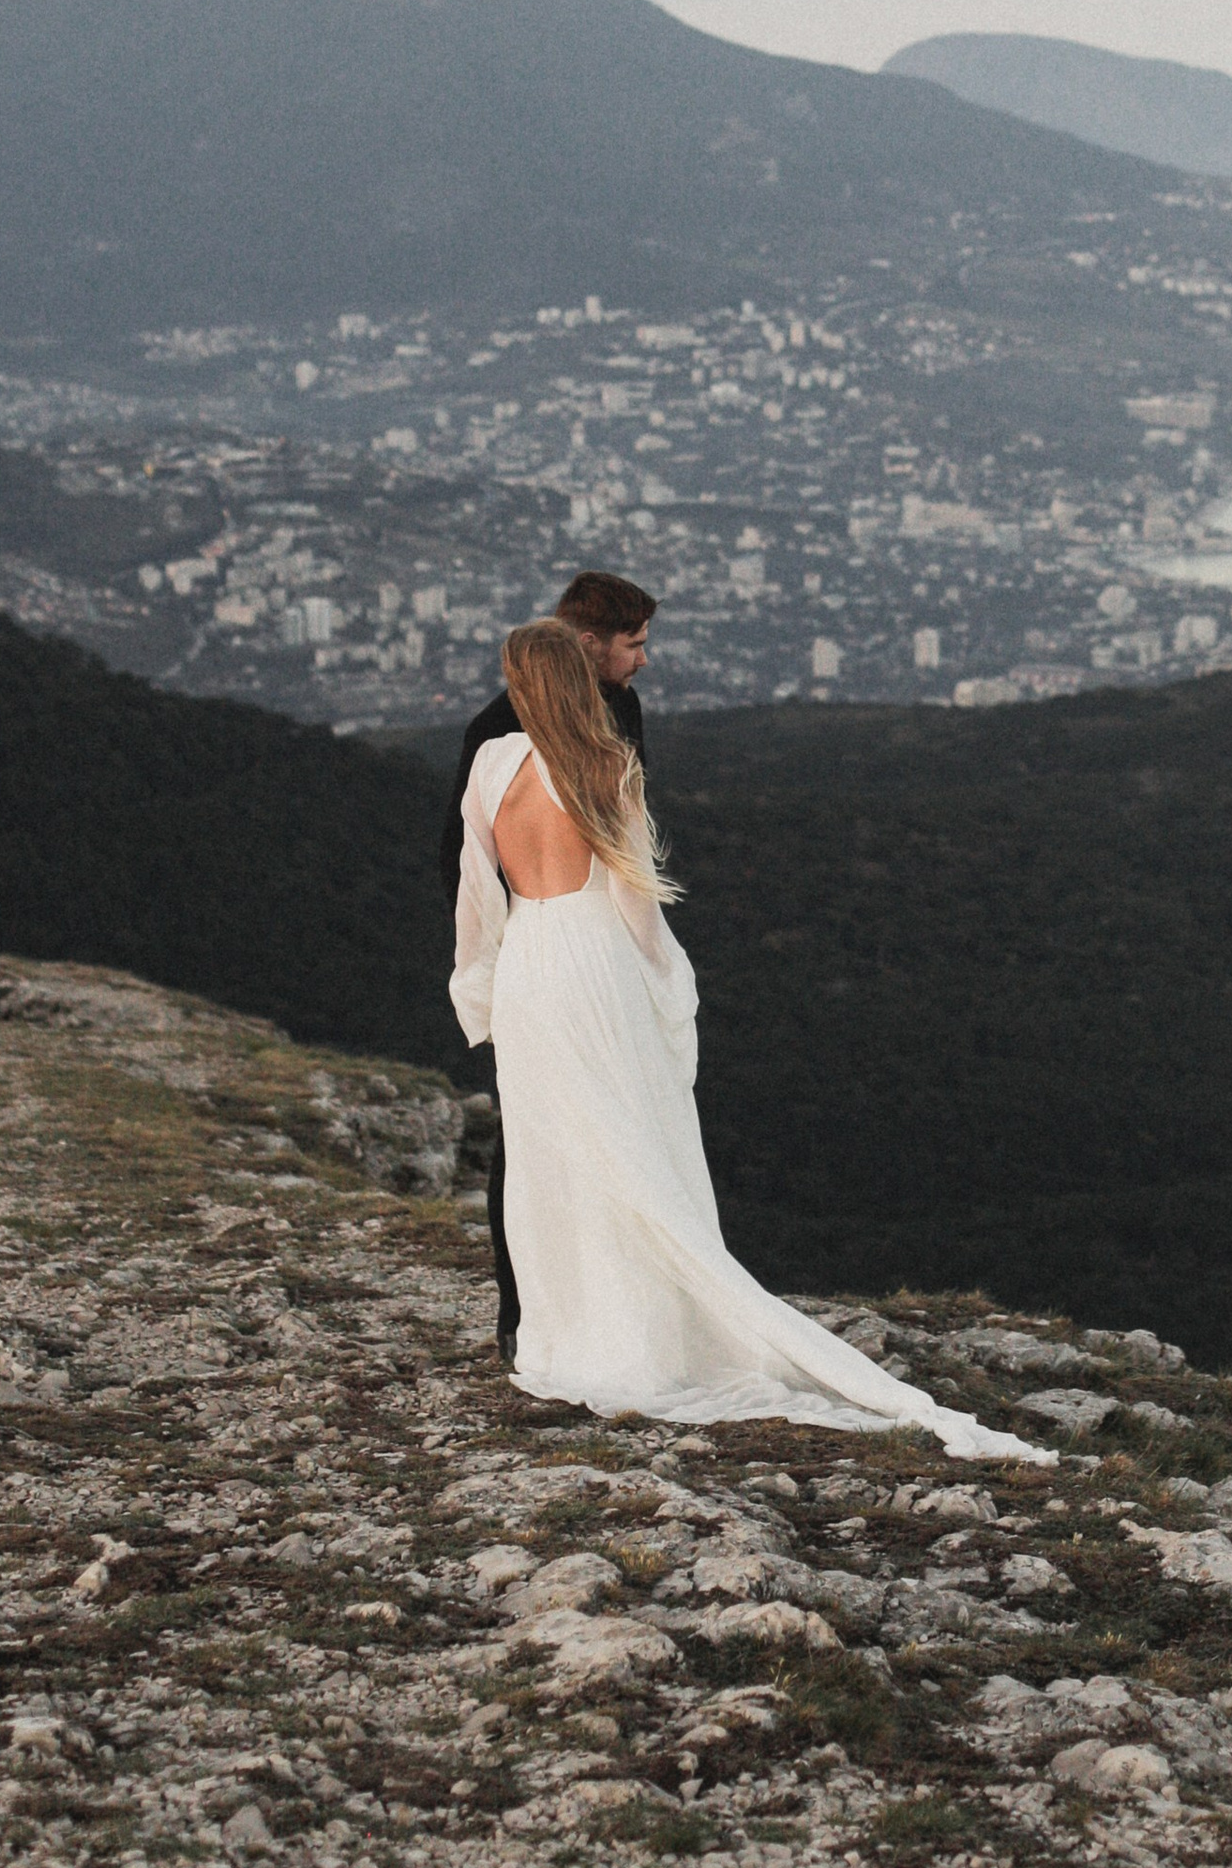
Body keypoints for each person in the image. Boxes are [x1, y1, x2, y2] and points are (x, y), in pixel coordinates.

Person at [452, 616, 1048, 1461]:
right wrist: (670, 985)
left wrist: (477, 990)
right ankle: (649, 1330)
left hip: (528, 969)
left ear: (522, 682)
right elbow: (635, 905)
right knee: (634, 1140)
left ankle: (565, 1328)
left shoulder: (487, 767)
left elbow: (476, 899)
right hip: (595, 966)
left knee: (554, 1155)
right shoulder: (608, 765)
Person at [443, 571, 655, 1365]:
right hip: (575, 945)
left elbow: (464, 874)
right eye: (632, 645)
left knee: (555, 1128)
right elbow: (633, 874)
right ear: (584, 647)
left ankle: (581, 1312)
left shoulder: (573, 728)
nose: (643, 662)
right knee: (560, 1131)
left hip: (534, 948)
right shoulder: (517, 741)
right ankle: (529, 1314)